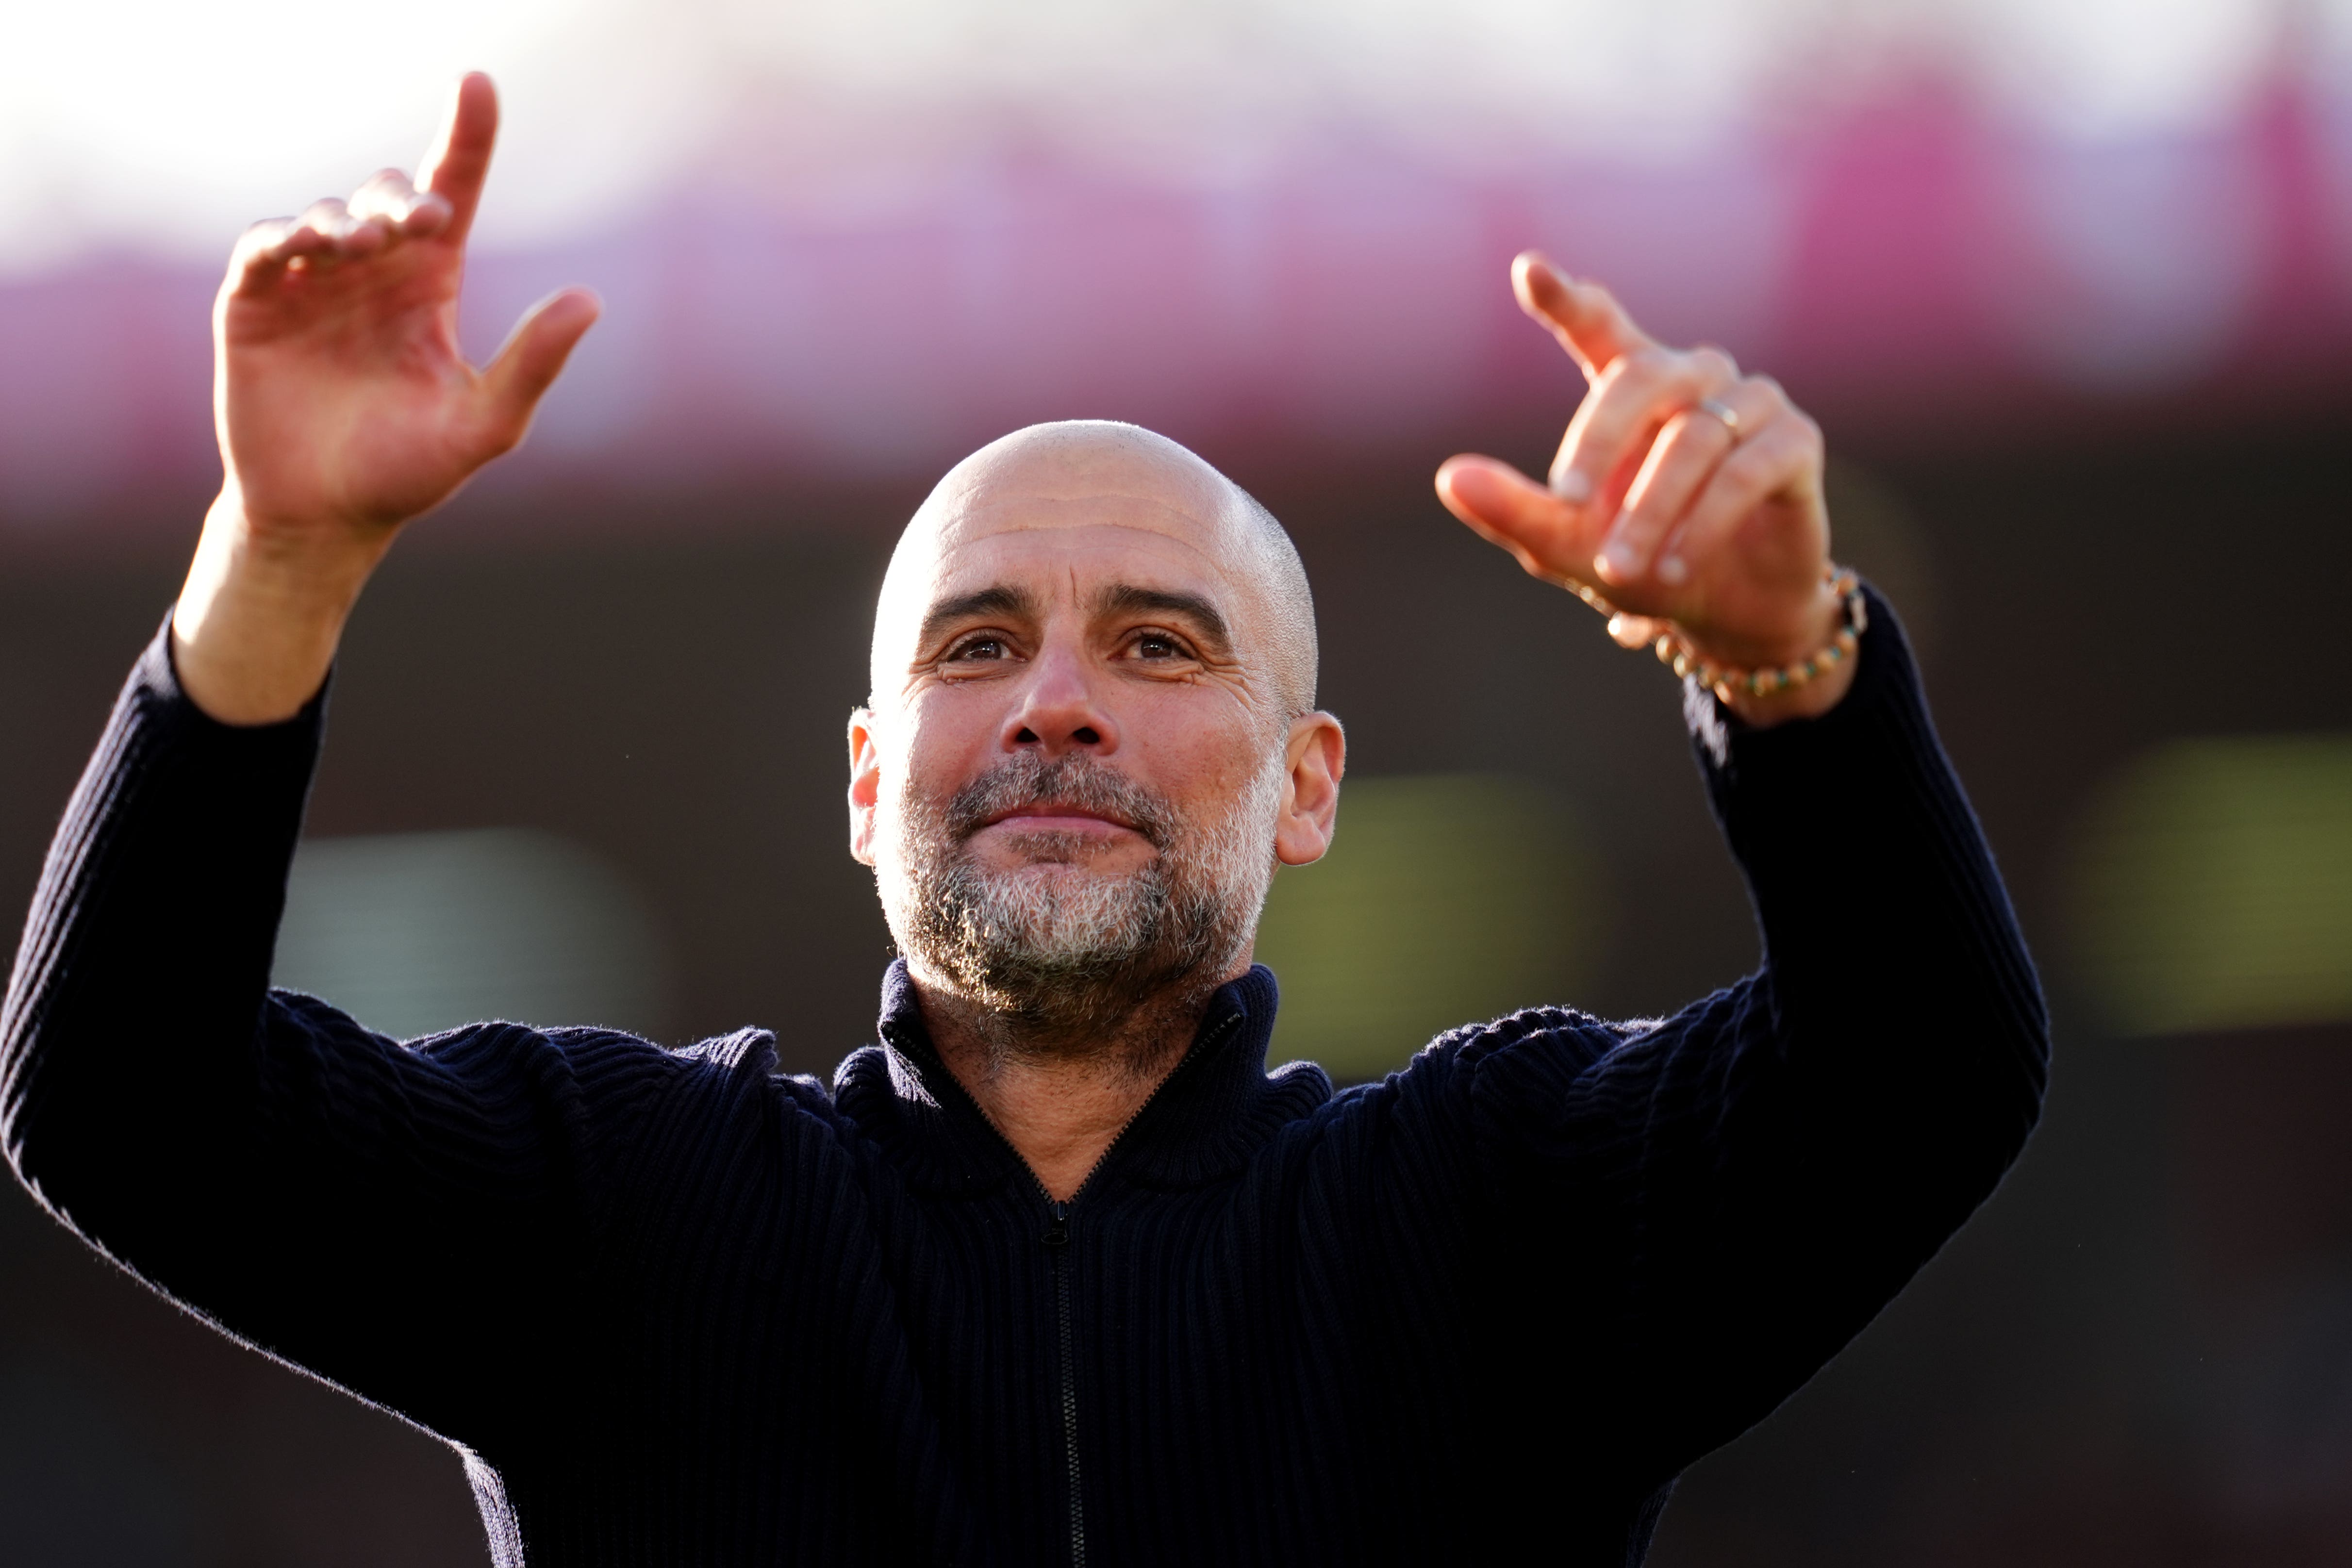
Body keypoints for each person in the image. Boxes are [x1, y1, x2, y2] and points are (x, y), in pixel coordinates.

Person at [1, 74, 2047, 1567]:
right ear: (868, 780)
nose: (1055, 697)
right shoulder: (626, 1213)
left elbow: (1927, 1074)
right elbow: (116, 1105)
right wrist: (279, 559)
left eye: (1158, 645)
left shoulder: (1495, 1220)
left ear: (1307, 784)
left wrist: (1792, 673)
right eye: (978, 643)